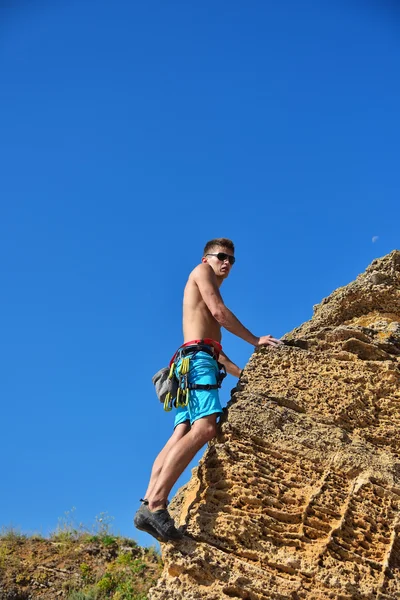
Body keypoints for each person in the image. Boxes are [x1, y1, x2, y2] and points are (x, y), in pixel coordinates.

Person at [134, 238, 281, 542]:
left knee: (181, 431)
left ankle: (147, 502)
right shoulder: (202, 273)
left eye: (232, 260)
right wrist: (255, 340)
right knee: (205, 428)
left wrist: (246, 375)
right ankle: (158, 505)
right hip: (197, 362)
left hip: (195, 360)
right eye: (221, 256)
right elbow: (219, 313)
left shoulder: (203, 285)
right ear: (206, 259)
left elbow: (215, 350)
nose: (226, 263)